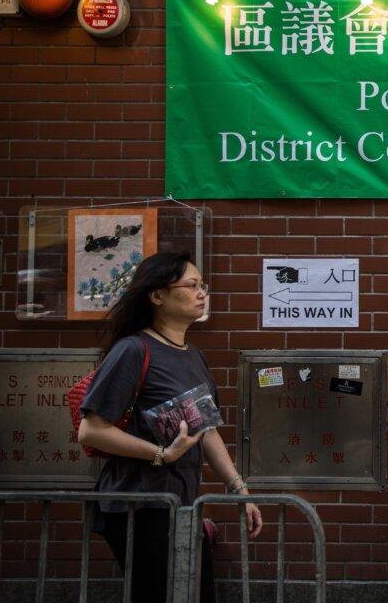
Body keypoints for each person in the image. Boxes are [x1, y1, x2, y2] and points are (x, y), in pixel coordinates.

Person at [78, 251, 262, 603]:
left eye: (202, 285)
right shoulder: (133, 350)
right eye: (191, 285)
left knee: (197, 593)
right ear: (157, 295)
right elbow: (91, 430)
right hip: (139, 506)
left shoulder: (193, 355)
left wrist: (239, 490)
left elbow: (206, 430)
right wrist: (161, 453)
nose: (202, 292)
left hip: (180, 505)